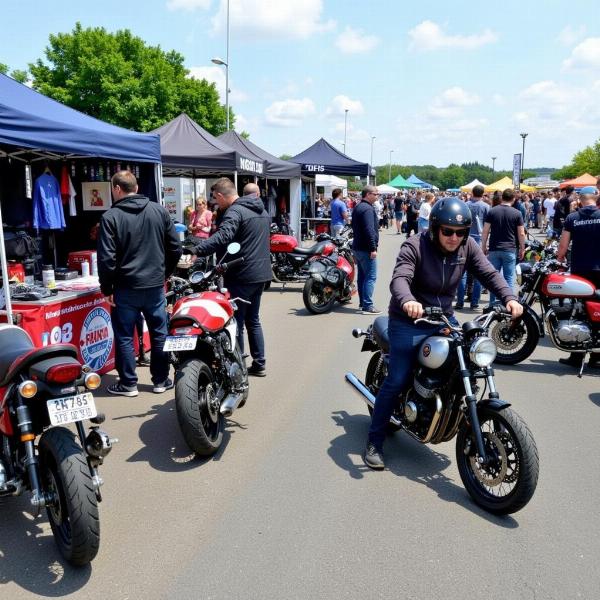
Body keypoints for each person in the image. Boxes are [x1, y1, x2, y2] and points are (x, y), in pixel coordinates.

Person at [363, 197, 522, 469]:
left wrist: (509, 297)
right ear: (435, 227)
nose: (454, 237)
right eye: (448, 231)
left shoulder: (467, 246)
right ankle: (375, 442)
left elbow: (488, 273)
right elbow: (400, 278)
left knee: (466, 363)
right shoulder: (415, 245)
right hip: (408, 319)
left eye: (460, 232)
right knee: (398, 378)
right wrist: (408, 301)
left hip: (442, 317)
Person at [98, 170, 182, 396]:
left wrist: (107, 288)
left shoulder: (110, 217)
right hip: (154, 285)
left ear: (117, 189)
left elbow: (107, 259)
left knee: (125, 335)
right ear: (135, 187)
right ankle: (161, 380)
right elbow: (176, 247)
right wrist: (165, 273)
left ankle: (128, 384)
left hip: (126, 287)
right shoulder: (159, 211)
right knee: (159, 332)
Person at [185, 179, 271, 377]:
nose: (215, 203)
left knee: (236, 323)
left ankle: (238, 369)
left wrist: (197, 249)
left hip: (241, 274)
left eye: (215, 198)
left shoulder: (235, 211)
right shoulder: (262, 210)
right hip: (260, 274)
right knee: (253, 320)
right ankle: (259, 363)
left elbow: (223, 236)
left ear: (222, 196)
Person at [556, 192, 600, 368]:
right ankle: (597, 357)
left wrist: (559, 260)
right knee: (597, 312)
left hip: (580, 270)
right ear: (595, 199)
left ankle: (577, 356)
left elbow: (563, 245)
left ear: (580, 200)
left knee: (578, 312)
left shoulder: (572, 218)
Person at [481, 189, 525, 305]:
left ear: (502, 198)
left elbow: (485, 231)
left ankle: (492, 304)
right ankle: (508, 303)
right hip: (510, 248)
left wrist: (483, 246)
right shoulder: (517, 213)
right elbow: (521, 233)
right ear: (514, 199)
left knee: (493, 278)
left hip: (494, 248)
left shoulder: (492, 211)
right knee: (508, 278)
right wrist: (522, 248)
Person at [455, 184, 489, 309]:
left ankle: (460, 301)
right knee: (478, 274)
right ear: (482, 193)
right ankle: (474, 302)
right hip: (479, 241)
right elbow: (487, 226)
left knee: (461, 273)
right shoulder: (486, 207)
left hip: (464, 240)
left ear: (472, 192)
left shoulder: (465, 205)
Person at [351, 185, 381, 315]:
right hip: (365, 248)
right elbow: (369, 230)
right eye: (375, 194)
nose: (377, 196)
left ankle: (363, 303)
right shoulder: (367, 209)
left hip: (358, 247)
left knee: (362, 276)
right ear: (368, 194)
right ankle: (367, 305)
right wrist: (373, 248)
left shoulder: (358, 207)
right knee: (370, 277)